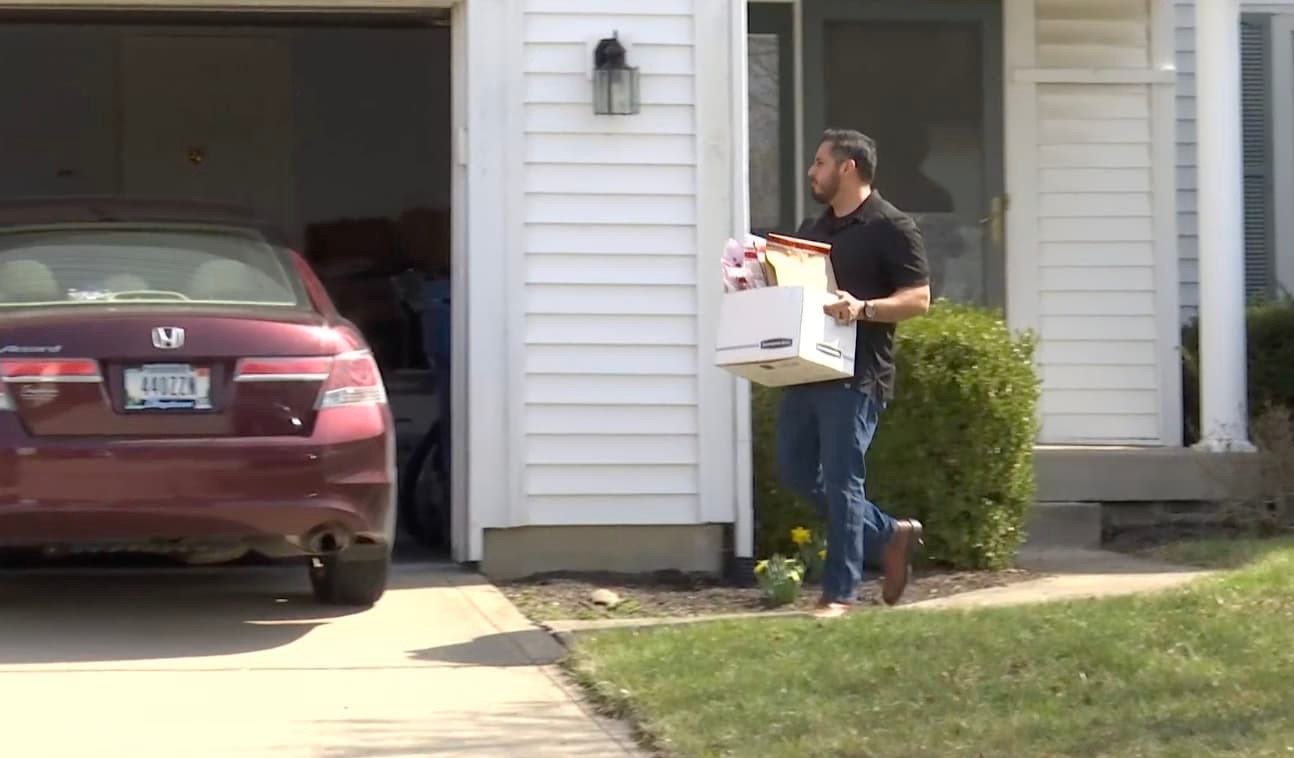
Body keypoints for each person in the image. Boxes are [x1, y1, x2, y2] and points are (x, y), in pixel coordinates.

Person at [778, 128, 931, 619]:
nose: (811, 172)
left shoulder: (892, 226)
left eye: (820, 163)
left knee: (844, 483)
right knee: (798, 472)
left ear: (848, 168)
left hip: (858, 376)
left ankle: (839, 594)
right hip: (808, 369)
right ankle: (889, 534)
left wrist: (862, 309)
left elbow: (918, 299)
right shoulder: (812, 230)